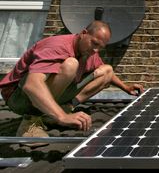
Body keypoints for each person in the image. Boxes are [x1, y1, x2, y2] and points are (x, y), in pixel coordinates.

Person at [0, 20, 144, 147]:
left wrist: (125, 88)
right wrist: (63, 117)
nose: (96, 50)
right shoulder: (58, 45)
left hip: (42, 92)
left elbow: (107, 74)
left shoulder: (88, 53)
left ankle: (57, 111)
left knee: (107, 70)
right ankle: (31, 121)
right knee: (70, 65)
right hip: (18, 97)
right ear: (83, 33)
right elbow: (31, 85)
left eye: (100, 47)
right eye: (94, 43)